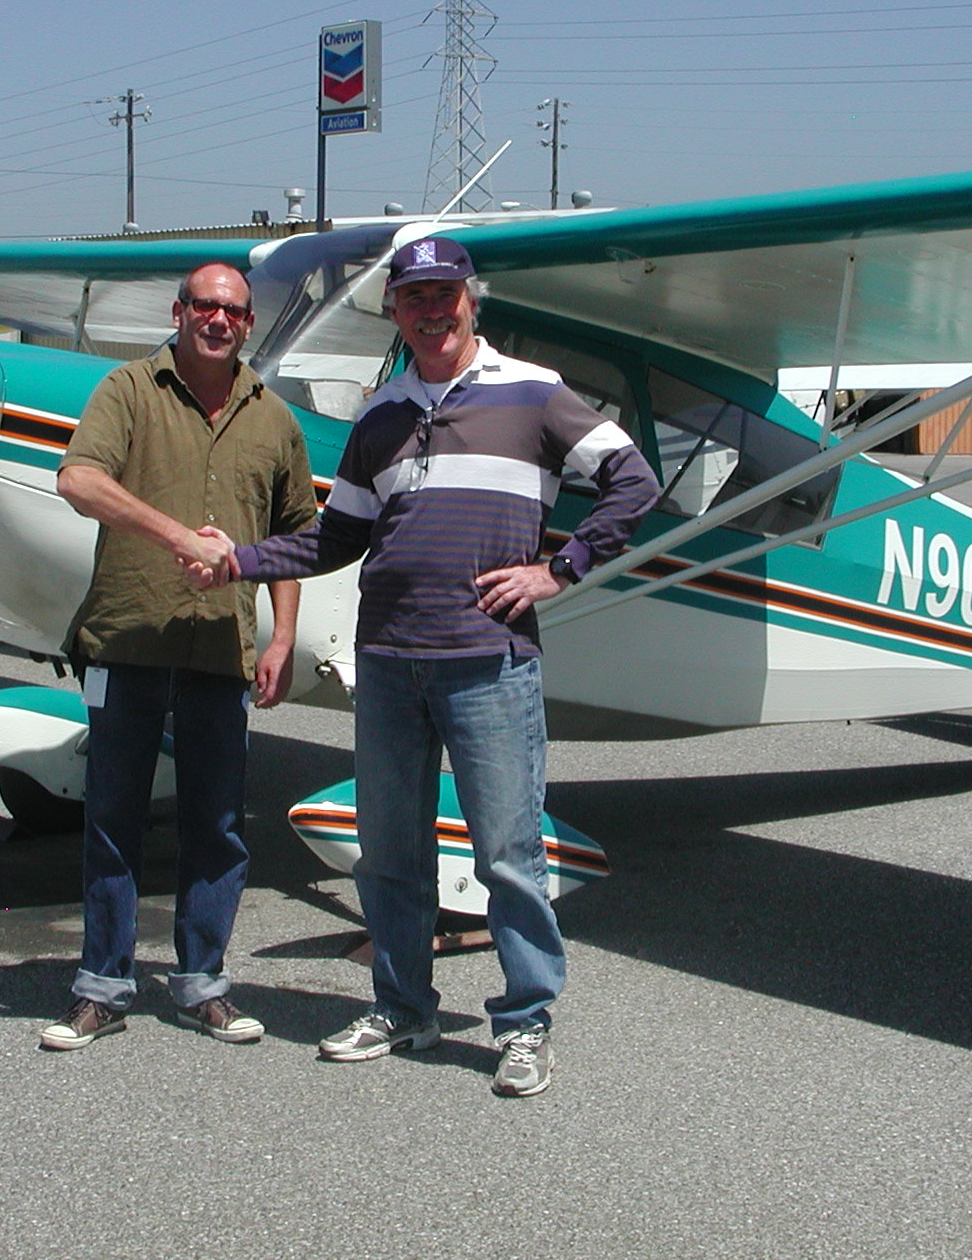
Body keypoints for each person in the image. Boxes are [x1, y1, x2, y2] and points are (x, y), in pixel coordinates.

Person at [192, 235, 660, 1096]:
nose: (432, 310)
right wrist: (240, 561)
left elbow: (632, 480)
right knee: (388, 856)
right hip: (390, 662)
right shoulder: (380, 415)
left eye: (445, 293)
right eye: (414, 298)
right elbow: (340, 537)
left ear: (470, 300)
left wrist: (558, 571)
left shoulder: (534, 393)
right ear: (398, 312)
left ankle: (524, 1024)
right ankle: (402, 1008)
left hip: (489, 662)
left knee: (509, 854)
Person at [38, 262, 316, 1052]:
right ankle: (102, 986)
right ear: (180, 311)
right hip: (127, 638)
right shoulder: (129, 390)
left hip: (222, 650)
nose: (217, 320)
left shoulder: (275, 420)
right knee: (113, 818)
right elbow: (79, 479)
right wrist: (177, 539)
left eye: (232, 310)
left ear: (248, 323)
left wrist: (284, 637)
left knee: (218, 824)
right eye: (204, 306)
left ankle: (203, 984)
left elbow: (295, 540)